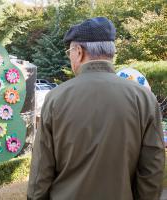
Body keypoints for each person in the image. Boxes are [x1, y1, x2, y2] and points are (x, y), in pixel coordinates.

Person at [27, 17, 164, 200]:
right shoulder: (144, 98)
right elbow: (152, 168)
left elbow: (41, 171)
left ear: (79, 52)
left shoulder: (56, 98)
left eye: (70, 52)